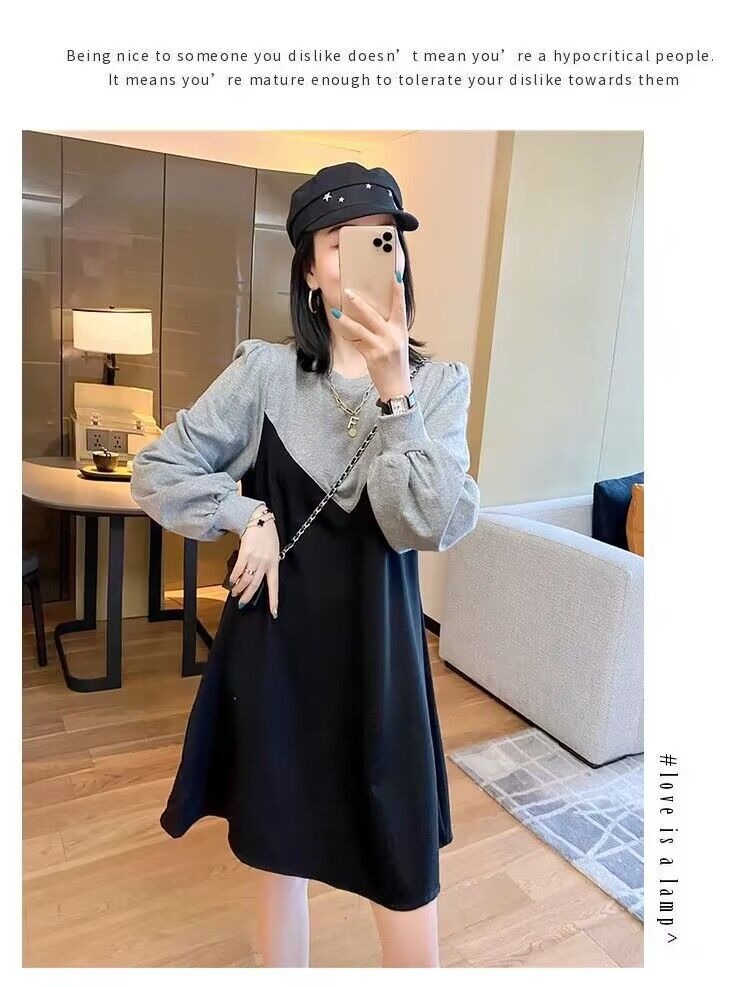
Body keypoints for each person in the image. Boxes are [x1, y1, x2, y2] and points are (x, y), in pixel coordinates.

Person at [130, 161, 481, 967]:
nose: (367, 256)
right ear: (310, 271)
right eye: (340, 242)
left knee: (404, 877)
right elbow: (156, 469)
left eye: (383, 239)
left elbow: (428, 522)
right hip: (277, 666)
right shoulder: (266, 374)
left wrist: (395, 394)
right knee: (278, 860)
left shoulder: (439, 387)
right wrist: (245, 514)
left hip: (381, 671)